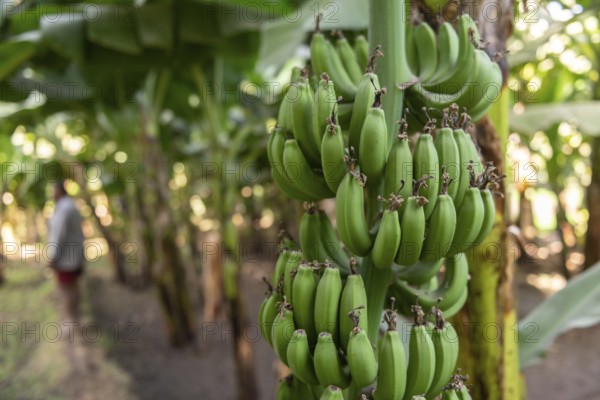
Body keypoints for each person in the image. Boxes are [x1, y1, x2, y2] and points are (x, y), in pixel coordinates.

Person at [47, 180, 85, 321]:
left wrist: (52, 256)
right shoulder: (71, 205)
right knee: (73, 287)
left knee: (66, 289)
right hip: (75, 256)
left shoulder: (63, 209)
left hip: (65, 258)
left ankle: (70, 320)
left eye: (53, 190)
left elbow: (58, 234)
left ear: (59, 191)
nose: (52, 194)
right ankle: (75, 317)